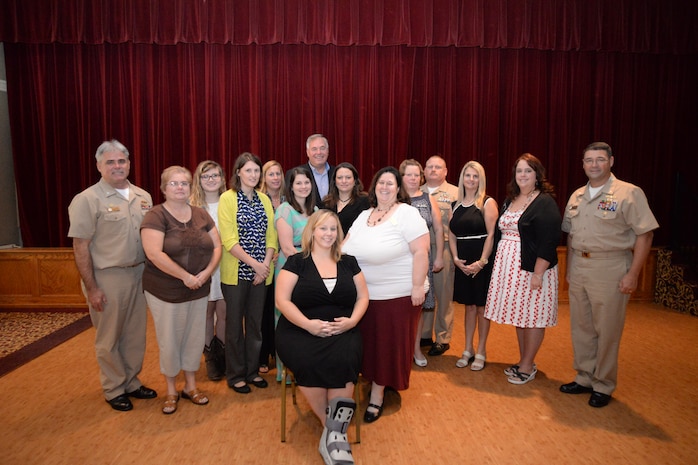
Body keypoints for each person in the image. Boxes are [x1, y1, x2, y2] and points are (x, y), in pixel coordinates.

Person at [560, 142, 658, 408]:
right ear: (582, 164)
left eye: (600, 159)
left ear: (611, 161)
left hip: (611, 267)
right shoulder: (577, 195)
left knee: (607, 329)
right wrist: (569, 269)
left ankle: (603, 384)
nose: (594, 165)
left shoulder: (629, 193)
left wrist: (633, 274)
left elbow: (645, 234)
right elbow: (570, 235)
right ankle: (584, 377)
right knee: (582, 328)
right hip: (580, 266)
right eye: (589, 160)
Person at [68, 139, 157, 412]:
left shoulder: (143, 196)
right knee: (109, 337)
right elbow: (80, 246)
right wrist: (92, 287)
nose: (117, 166)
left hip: (139, 274)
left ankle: (131, 381)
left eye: (121, 161)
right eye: (110, 162)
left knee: (134, 335)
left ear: (129, 163)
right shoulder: (87, 199)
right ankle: (113, 388)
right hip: (107, 277)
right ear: (99, 165)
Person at [276, 210, 369, 465]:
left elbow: (363, 297)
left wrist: (352, 321)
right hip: (299, 328)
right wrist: (309, 325)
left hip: (342, 327)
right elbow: (282, 301)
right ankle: (333, 430)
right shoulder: (297, 261)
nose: (328, 233)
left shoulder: (349, 261)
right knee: (307, 360)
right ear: (312, 232)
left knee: (347, 357)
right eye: (323, 228)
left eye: (333, 229)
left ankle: (332, 432)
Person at [342, 166, 430, 423]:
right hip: (364, 296)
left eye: (390, 183)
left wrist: (416, 287)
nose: (385, 187)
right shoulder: (364, 215)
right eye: (381, 182)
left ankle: (377, 396)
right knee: (369, 345)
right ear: (373, 186)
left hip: (398, 295)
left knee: (386, 347)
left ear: (398, 188)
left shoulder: (407, 213)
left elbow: (422, 252)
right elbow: (345, 247)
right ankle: (374, 381)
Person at [141, 166, 222, 414]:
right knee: (170, 339)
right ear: (164, 188)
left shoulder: (200, 214)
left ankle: (190, 386)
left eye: (184, 183)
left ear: (190, 187)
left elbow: (217, 246)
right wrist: (186, 277)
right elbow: (154, 253)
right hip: (166, 291)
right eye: (174, 184)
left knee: (193, 338)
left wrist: (206, 273)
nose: (180, 188)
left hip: (198, 289)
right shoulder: (155, 216)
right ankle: (171, 390)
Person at [484, 153, 562, 385]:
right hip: (510, 268)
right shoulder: (511, 200)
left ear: (537, 175)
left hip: (532, 268)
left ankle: (528, 366)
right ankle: (523, 360)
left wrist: (538, 273)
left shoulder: (544, 201)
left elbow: (549, 240)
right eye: (519, 171)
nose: (523, 175)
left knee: (534, 317)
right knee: (521, 316)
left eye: (528, 170)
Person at [219, 153, 278, 394]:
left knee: (255, 326)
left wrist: (264, 266)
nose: (253, 175)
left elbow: (271, 236)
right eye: (248, 170)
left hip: (260, 274)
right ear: (238, 173)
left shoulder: (264, 199)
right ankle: (235, 375)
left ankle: (252, 371)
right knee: (234, 327)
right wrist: (255, 264)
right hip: (237, 273)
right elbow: (229, 239)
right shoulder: (228, 198)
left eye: (256, 171)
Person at [449, 161, 498, 371]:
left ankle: (481, 350)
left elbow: (492, 235)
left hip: (482, 261)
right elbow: (451, 233)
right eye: (467, 175)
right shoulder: (455, 204)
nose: (471, 180)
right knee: (468, 307)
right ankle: (467, 349)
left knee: (481, 308)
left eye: (475, 176)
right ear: (462, 179)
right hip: (463, 262)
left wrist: (482, 262)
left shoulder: (487, 203)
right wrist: (455, 258)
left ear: (481, 179)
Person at [274, 165, 319, 379]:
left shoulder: (317, 211)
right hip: (291, 270)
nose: (303, 186)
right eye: (298, 183)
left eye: (306, 182)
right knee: (287, 317)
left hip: (312, 270)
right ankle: (286, 371)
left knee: (307, 315)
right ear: (290, 187)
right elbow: (287, 248)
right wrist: (307, 270)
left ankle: (306, 365)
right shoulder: (284, 210)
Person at [399, 159, 444, 368]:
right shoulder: (394, 199)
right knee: (398, 308)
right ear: (402, 177)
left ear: (421, 177)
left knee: (417, 309)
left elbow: (438, 229)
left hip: (422, 261)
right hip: (398, 262)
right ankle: (400, 350)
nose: (413, 178)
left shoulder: (428, 199)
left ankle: (415, 348)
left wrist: (439, 256)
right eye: (409, 174)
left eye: (416, 175)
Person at [190, 160, 227, 381]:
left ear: (222, 179)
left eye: (215, 175)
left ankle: (222, 354)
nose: (211, 180)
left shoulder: (229, 201)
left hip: (226, 266)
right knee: (206, 313)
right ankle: (210, 356)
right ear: (199, 180)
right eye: (206, 176)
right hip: (202, 267)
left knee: (224, 313)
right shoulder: (191, 205)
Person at [420, 155, 459, 356]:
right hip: (421, 249)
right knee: (424, 293)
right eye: (430, 167)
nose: (433, 170)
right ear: (424, 171)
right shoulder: (417, 192)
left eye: (438, 167)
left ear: (445, 171)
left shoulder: (455, 193)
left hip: (442, 248)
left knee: (444, 294)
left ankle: (443, 338)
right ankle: (425, 335)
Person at [258, 160, 285, 374]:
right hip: (264, 261)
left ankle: (280, 351)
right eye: (270, 174)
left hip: (284, 260)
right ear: (263, 178)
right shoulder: (259, 199)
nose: (275, 178)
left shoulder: (288, 199)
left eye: (278, 173)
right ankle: (263, 354)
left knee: (281, 306)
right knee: (265, 309)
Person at [322, 162, 370, 235]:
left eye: (348, 177)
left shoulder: (365, 202)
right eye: (340, 178)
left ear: (355, 181)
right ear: (334, 181)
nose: (344, 181)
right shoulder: (326, 203)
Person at [289, 134, 335, 205]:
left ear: (327, 151)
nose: (319, 152)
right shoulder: (294, 174)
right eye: (314, 149)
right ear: (307, 152)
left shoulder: (337, 173)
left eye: (322, 148)